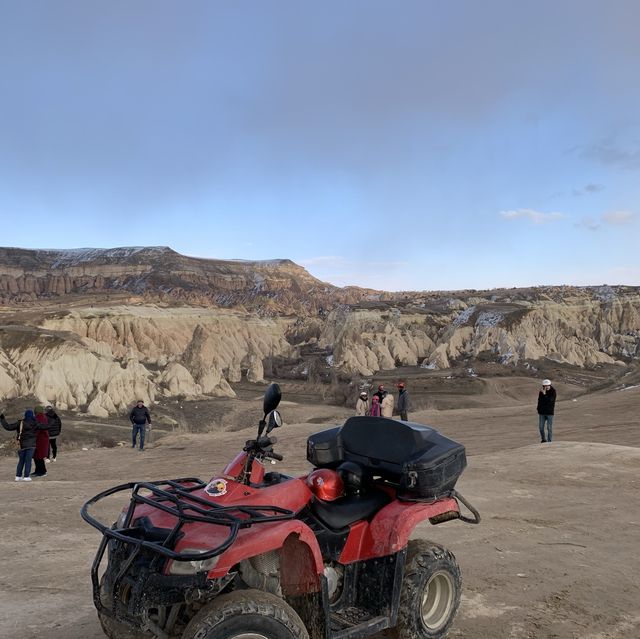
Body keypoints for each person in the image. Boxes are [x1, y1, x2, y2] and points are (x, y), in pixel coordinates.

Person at [1, 409, 48, 481]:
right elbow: (46, 427)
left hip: (22, 445)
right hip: (31, 445)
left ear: (25, 415)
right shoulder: (35, 423)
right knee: (28, 461)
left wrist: (2, 419)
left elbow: (8, 427)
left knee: (21, 461)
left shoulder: (20, 423)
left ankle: (18, 476)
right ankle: (26, 476)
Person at [32, 405, 50, 476]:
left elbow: (37, 429)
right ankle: (38, 471)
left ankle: (41, 471)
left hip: (39, 440)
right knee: (38, 456)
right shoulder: (44, 417)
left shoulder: (37, 418)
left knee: (38, 456)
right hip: (43, 439)